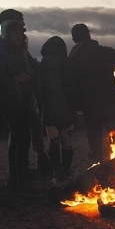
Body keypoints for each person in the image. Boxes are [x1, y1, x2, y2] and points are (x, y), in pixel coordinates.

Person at [0, 9, 52, 175]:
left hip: (24, 100)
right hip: (16, 102)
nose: (24, 24)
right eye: (21, 21)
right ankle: (18, 174)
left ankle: (21, 172)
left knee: (21, 136)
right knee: (20, 138)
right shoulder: (4, 50)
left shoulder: (18, 48)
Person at [69, 23, 115, 164]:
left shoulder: (73, 57)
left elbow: (72, 82)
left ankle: (96, 162)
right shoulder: (102, 51)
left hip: (88, 104)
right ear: (89, 35)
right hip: (108, 100)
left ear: (74, 39)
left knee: (94, 136)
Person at [0, 20, 35, 190]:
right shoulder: (0, 53)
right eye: (14, 32)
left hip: (20, 102)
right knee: (23, 138)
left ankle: (15, 178)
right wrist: (1, 102)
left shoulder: (20, 52)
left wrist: (29, 78)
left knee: (16, 139)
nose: (19, 35)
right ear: (7, 34)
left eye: (21, 32)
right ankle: (21, 177)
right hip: (9, 103)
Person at [37, 36, 77, 181]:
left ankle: (57, 173)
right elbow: (73, 87)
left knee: (52, 142)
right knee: (67, 142)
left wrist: (40, 107)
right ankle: (66, 172)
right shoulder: (69, 63)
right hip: (68, 109)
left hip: (50, 110)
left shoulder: (43, 65)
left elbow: (39, 89)